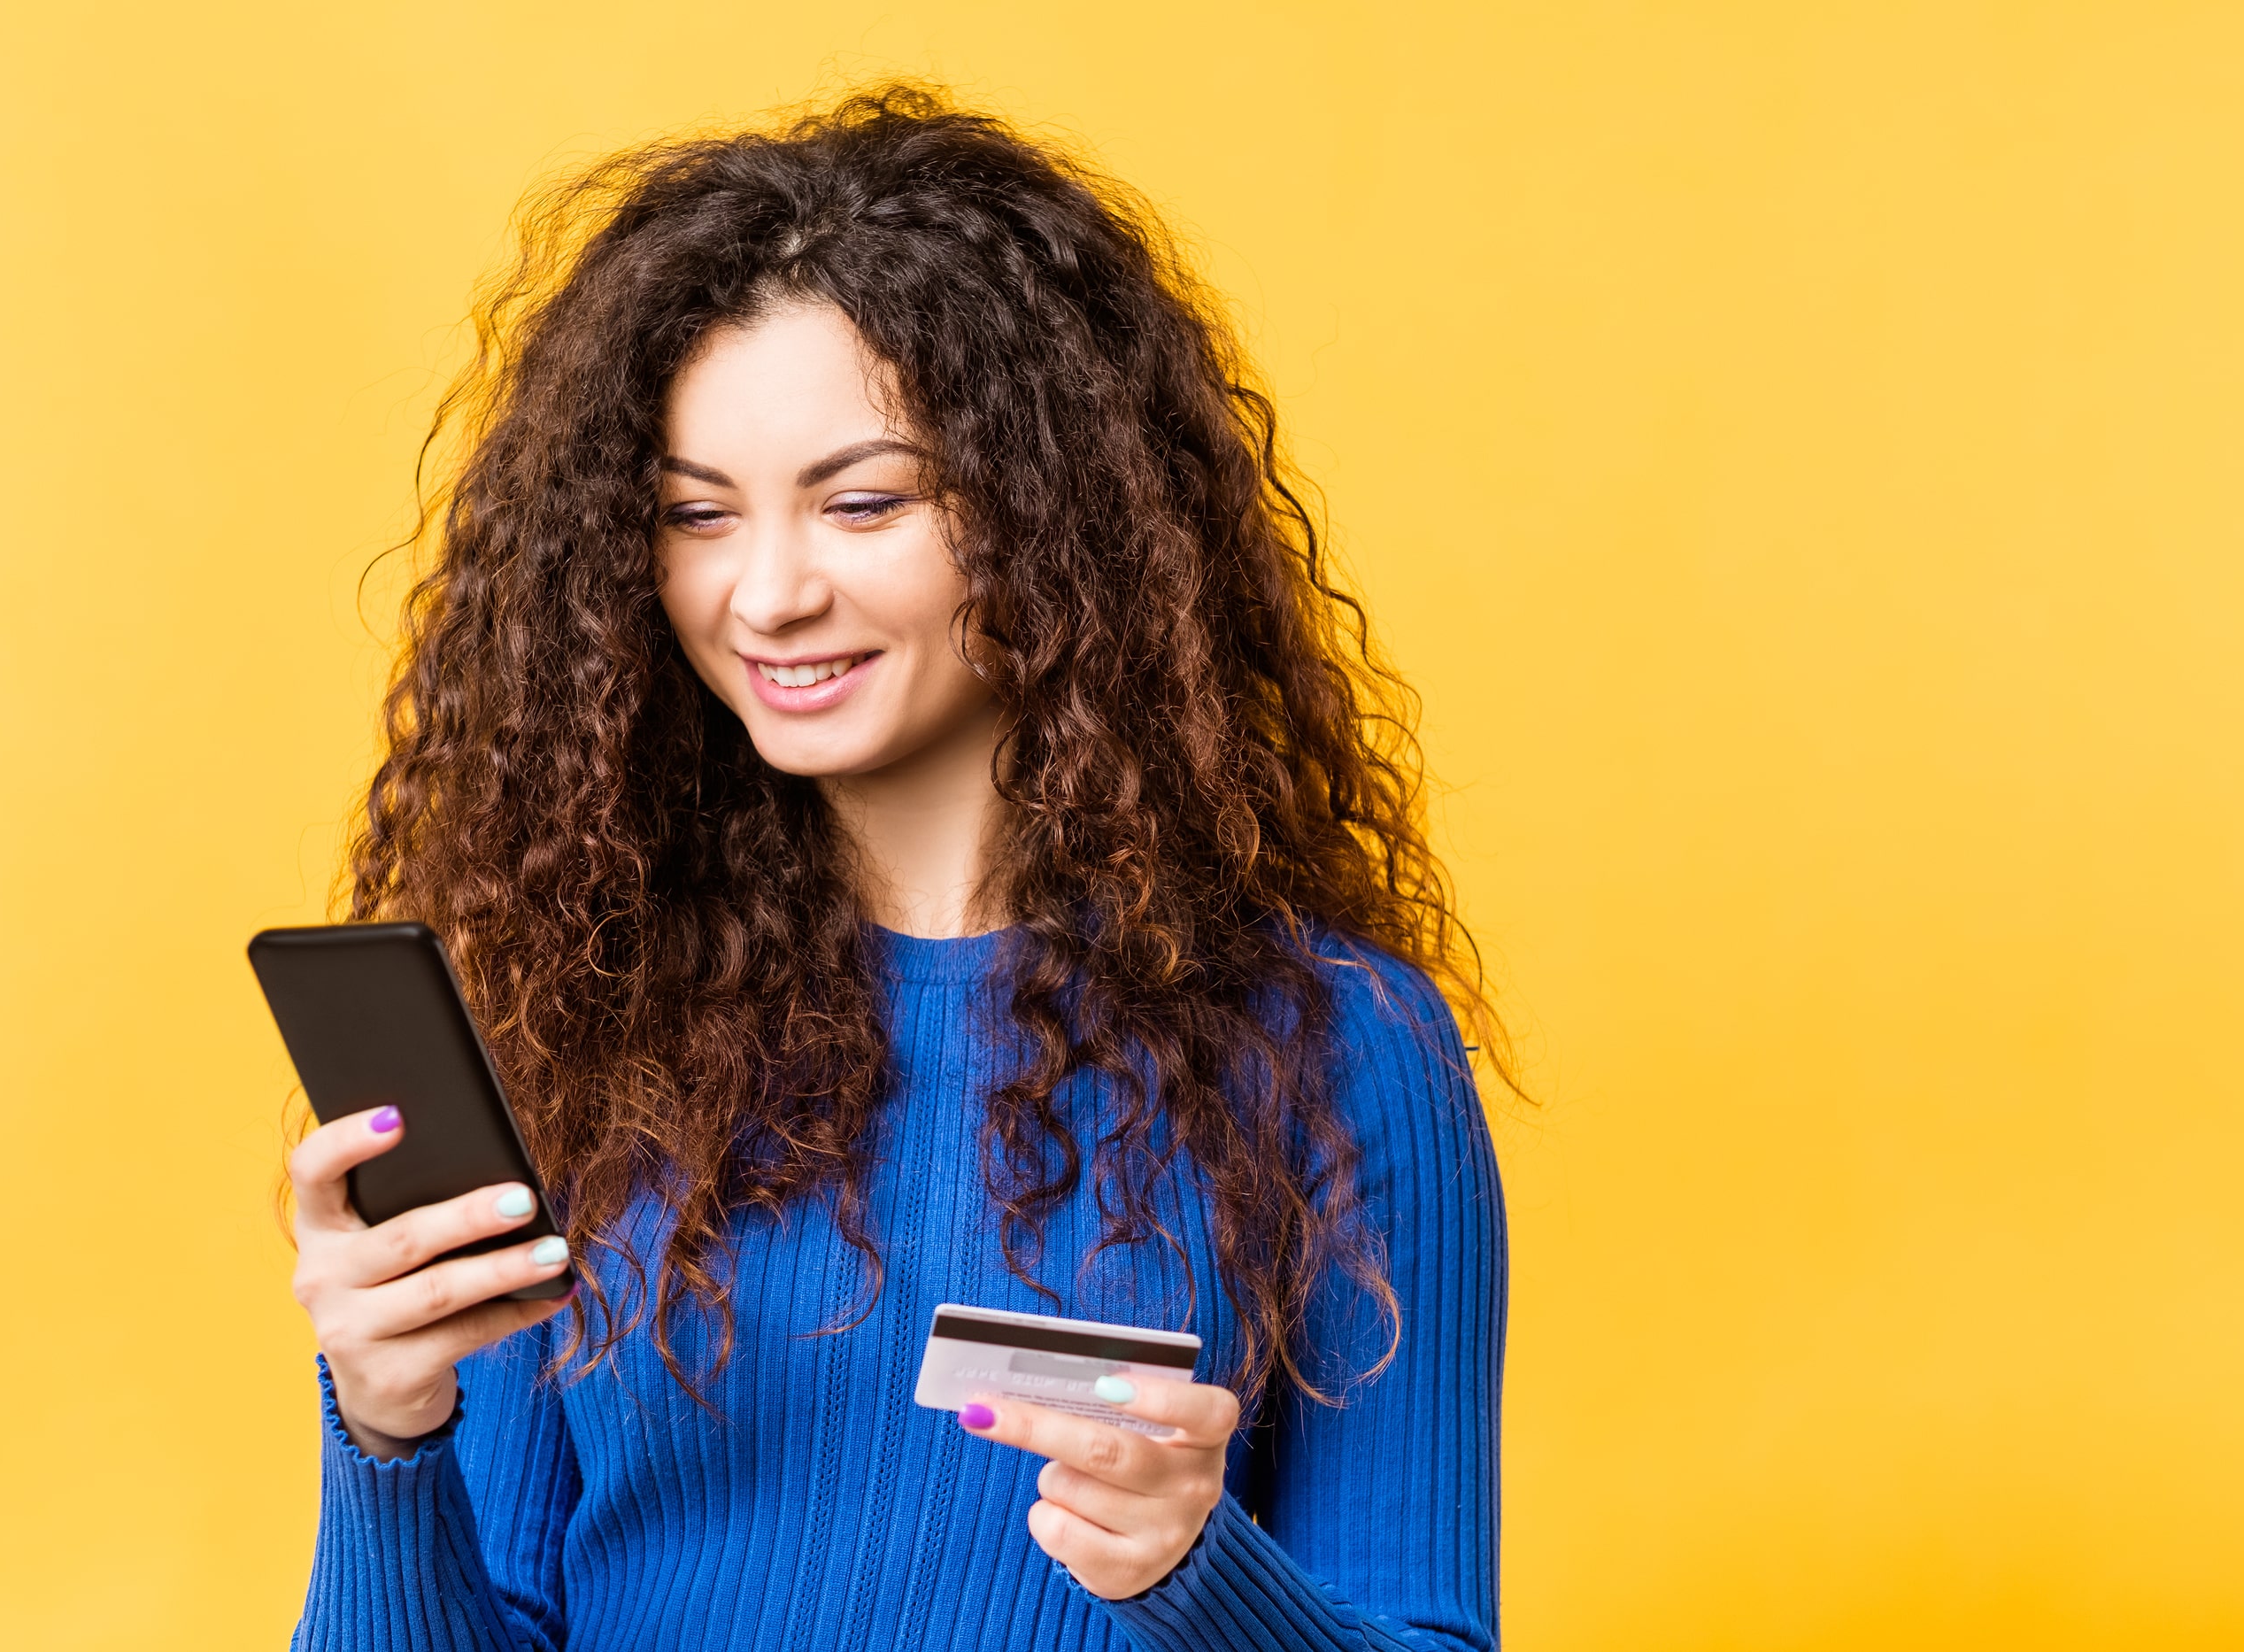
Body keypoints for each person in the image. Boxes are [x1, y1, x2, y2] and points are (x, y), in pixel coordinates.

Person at [282, 86, 1508, 1652]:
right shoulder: (584, 1033)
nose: (769, 592)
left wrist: (1195, 1570)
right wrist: (386, 1437)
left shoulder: (1341, 1048)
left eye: (863, 502)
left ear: (1055, 517)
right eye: (697, 518)